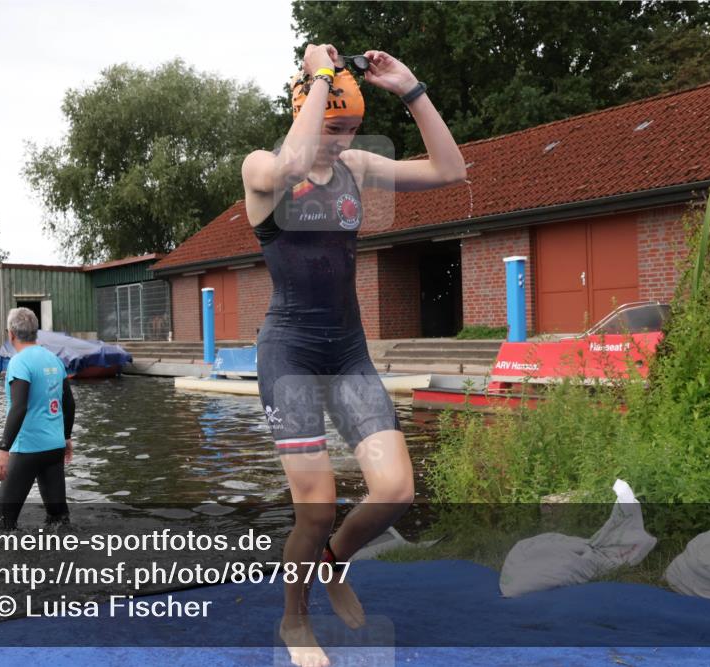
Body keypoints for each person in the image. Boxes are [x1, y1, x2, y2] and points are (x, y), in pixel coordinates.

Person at [241, 44, 465, 667]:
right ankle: (294, 619)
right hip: (288, 352)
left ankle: (334, 562)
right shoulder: (261, 168)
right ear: (305, 108)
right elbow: (289, 165)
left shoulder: (355, 167)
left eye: (350, 130)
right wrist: (320, 78)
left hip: (346, 353)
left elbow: (451, 171)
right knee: (313, 507)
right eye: (333, 128)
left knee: (394, 489)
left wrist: (412, 88)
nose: (340, 142)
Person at [0, 307, 75, 530]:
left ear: (10, 334)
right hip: (54, 448)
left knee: (4, 522)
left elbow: (19, 407)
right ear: (35, 332)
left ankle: (13, 563)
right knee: (58, 519)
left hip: (27, 449)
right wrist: (66, 437)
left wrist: (3, 450)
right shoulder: (54, 360)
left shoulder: (19, 362)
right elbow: (69, 403)